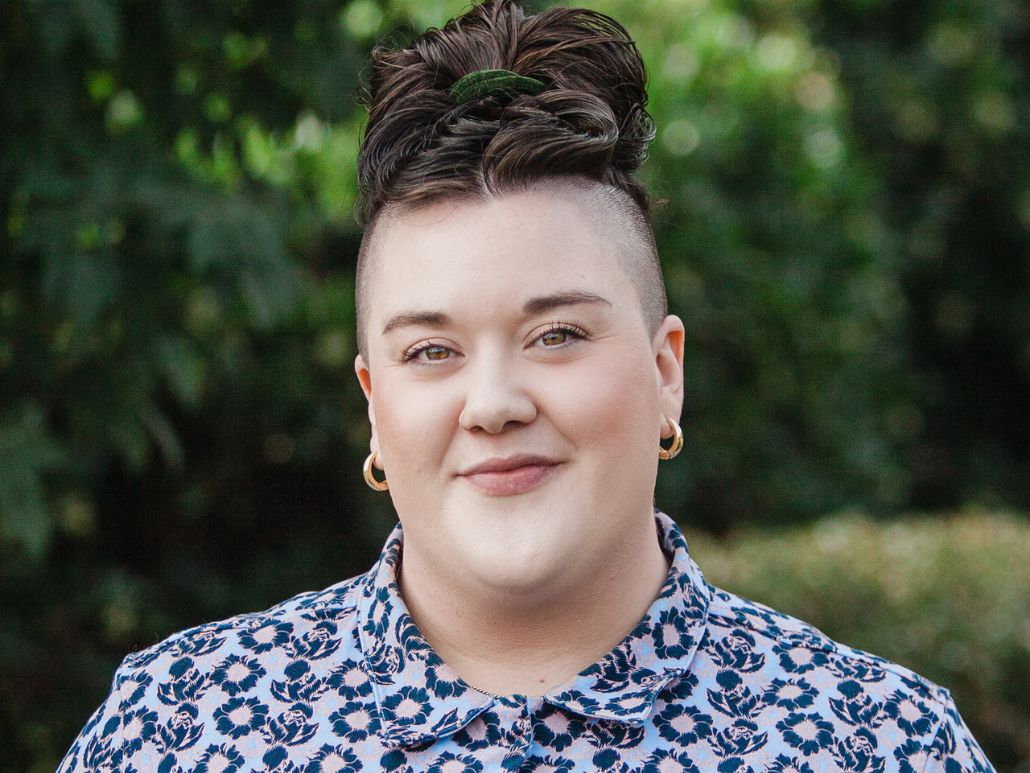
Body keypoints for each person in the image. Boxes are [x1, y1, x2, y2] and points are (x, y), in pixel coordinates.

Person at [59, 1, 995, 771]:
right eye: (431, 351)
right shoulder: (182, 727)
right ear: (372, 404)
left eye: (556, 335)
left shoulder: (879, 739)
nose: (495, 401)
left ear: (666, 372)